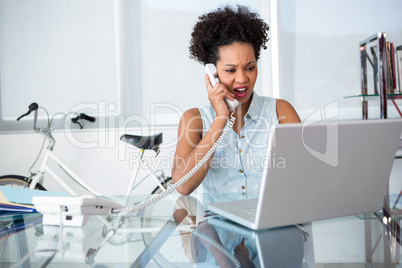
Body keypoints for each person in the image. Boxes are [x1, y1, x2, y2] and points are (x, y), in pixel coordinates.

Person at [171, 5, 300, 195]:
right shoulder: (194, 119)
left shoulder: (280, 111)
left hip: (272, 221)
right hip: (218, 224)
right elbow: (183, 186)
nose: (242, 79)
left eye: (250, 67)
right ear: (212, 73)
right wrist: (220, 119)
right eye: (230, 70)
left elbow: (306, 176)